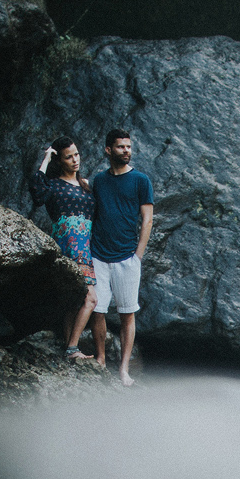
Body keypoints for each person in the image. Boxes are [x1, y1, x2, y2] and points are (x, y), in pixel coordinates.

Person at [89, 129, 153, 386]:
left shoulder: (140, 180)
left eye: (128, 146)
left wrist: (138, 255)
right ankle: (101, 359)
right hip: (99, 256)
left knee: (127, 313)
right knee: (97, 309)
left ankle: (124, 370)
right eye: (120, 147)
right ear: (108, 150)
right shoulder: (99, 181)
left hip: (128, 258)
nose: (126, 150)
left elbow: (147, 219)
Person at [28, 137, 98, 359]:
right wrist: (47, 158)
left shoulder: (86, 185)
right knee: (90, 299)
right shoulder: (52, 185)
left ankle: (70, 348)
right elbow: (36, 192)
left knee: (75, 301)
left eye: (76, 154)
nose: (75, 160)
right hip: (67, 246)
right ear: (60, 161)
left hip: (86, 249)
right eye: (69, 157)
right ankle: (72, 348)